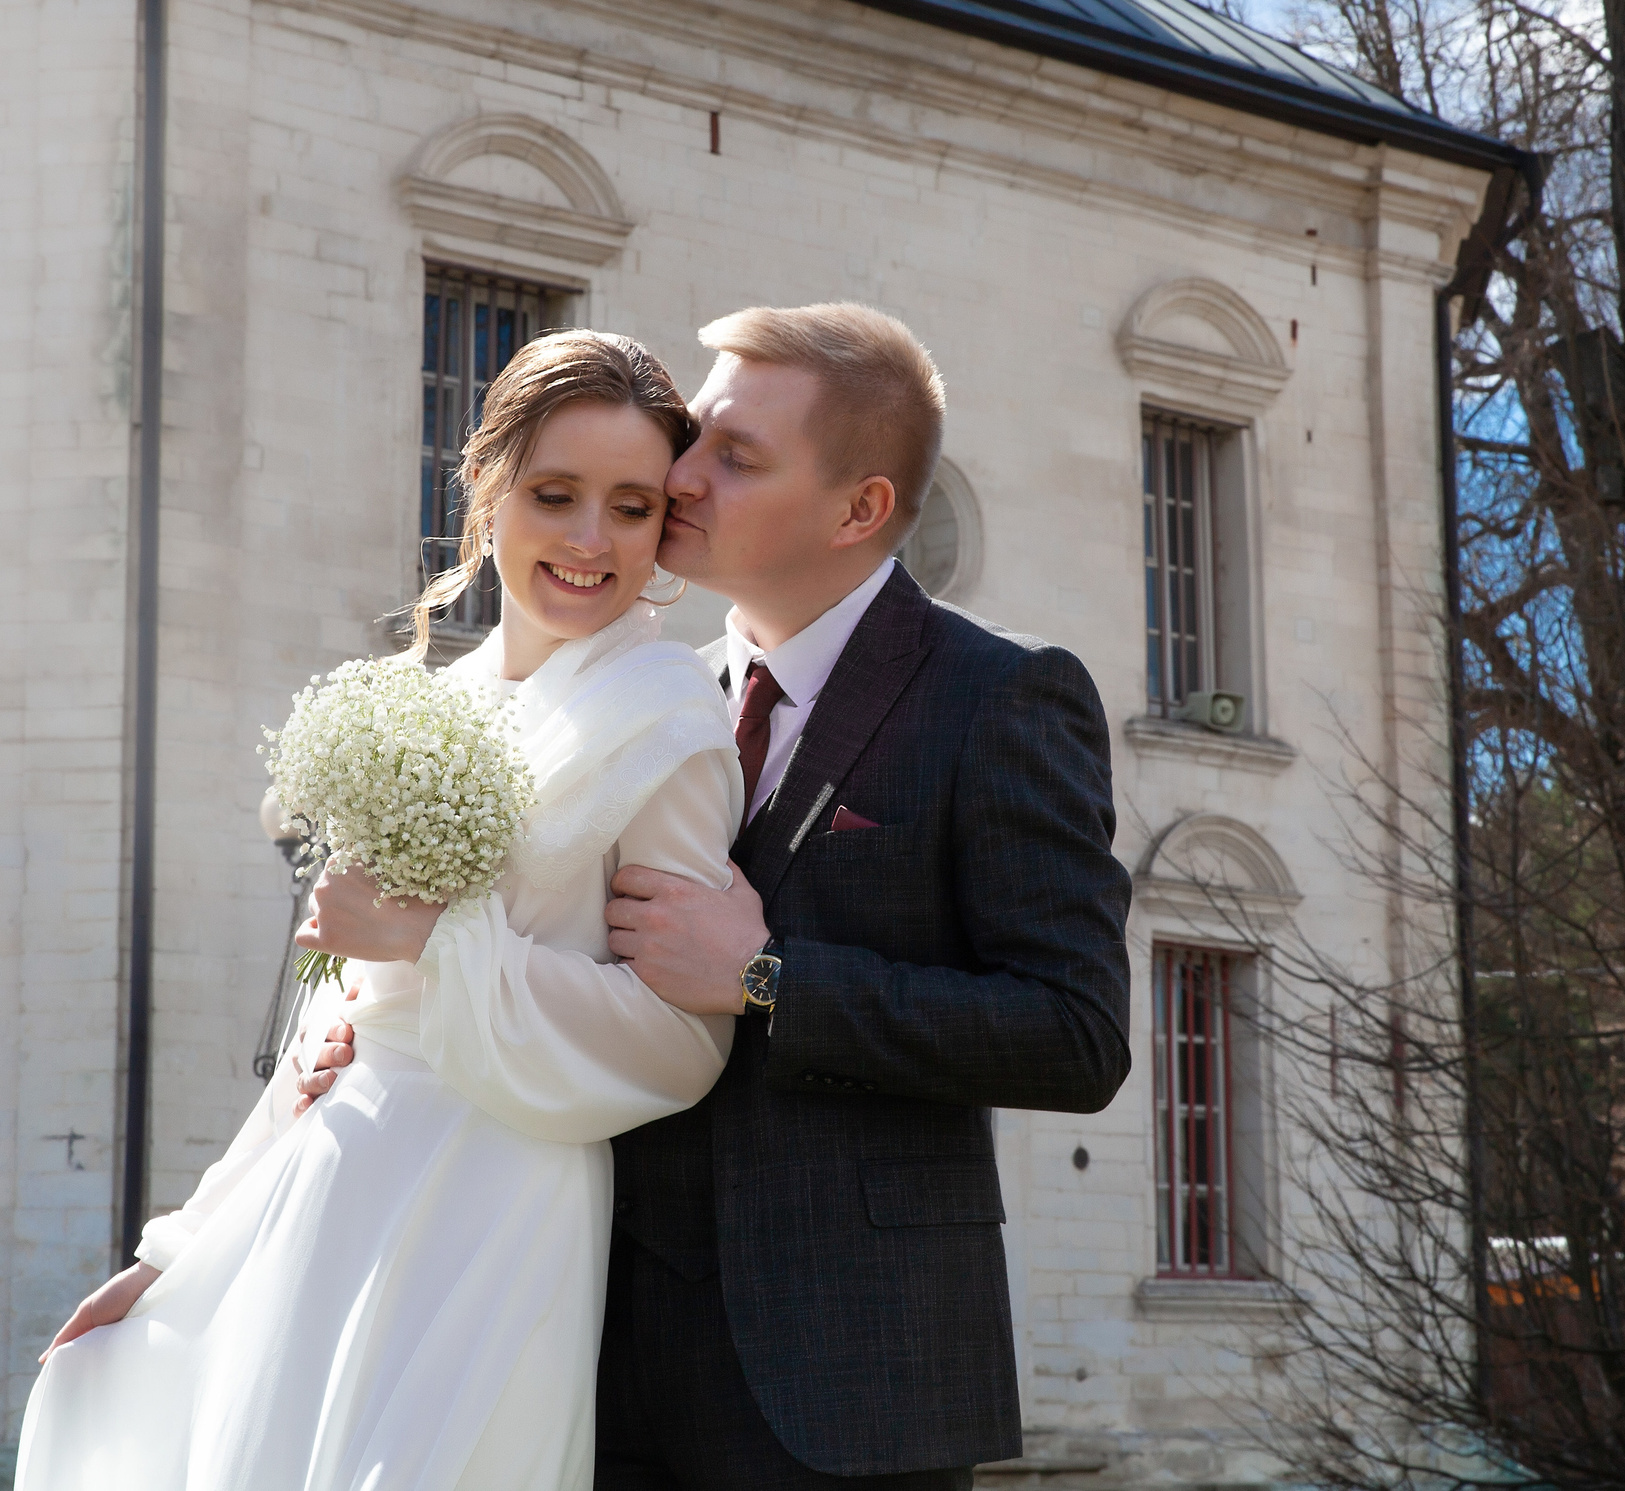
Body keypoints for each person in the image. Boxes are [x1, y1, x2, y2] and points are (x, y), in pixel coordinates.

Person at [303, 304, 1134, 1488]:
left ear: (860, 510)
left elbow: (1076, 1032)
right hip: (581, 1336)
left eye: (733, 457)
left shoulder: (999, 697)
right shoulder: (645, 692)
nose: (681, 475)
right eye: (696, 437)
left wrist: (769, 982)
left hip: (846, 1380)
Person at [14, 331, 747, 1490]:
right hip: (334, 1180)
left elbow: (678, 1041)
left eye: (633, 506)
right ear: (487, 489)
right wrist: (180, 1248)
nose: (590, 540)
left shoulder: (669, 721)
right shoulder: (428, 704)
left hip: (500, 1192)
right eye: (555, 495)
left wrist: (436, 941)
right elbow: (326, 1022)